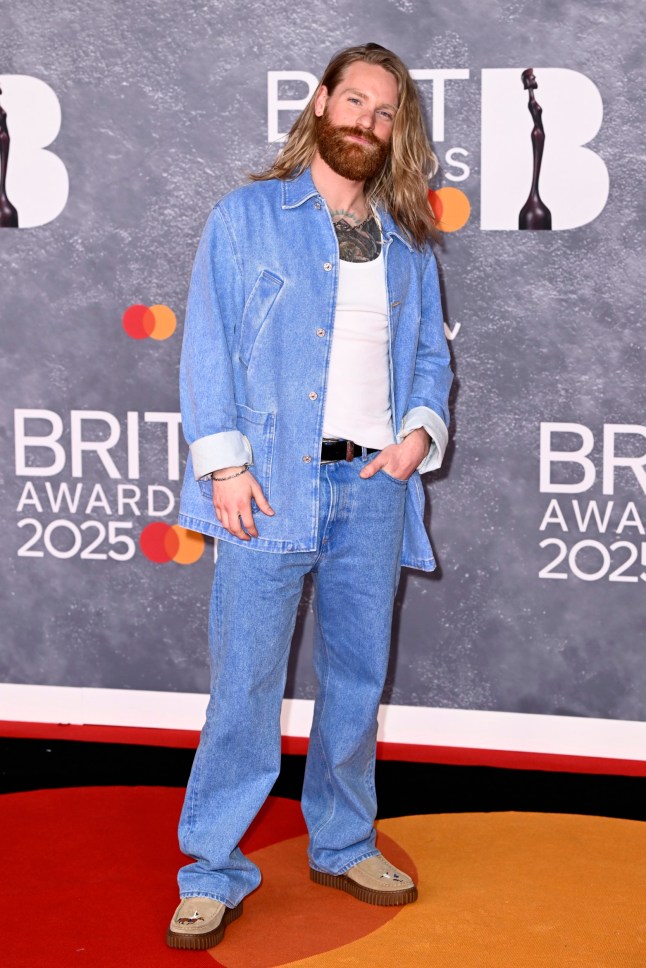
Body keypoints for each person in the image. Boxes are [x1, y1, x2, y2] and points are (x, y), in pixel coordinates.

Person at [167, 42, 453, 950]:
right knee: (246, 687)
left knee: (357, 682)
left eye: (385, 113)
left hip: (373, 488)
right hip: (269, 484)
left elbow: (431, 362)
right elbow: (206, 342)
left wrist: (417, 436)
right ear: (321, 103)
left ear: (393, 131)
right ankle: (213, 867)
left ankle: (342, 839)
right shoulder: (247, 217)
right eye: (355, 102)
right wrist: (225, 467)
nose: (367, 122)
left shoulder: (407, 245)